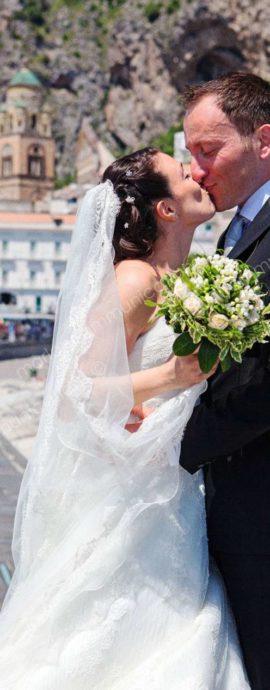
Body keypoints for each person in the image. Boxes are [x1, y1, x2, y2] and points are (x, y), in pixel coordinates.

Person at [0, 148, 249, 689]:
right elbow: (72, 394)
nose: (197, 174)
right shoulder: (135, 280)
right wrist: (172, 378)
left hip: (176, 487)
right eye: (184, 173)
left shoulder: (186, 275)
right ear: (164, 209)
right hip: (132, 492)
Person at [181, 72, 270, 690]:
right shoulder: (233, 230)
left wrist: (171, 448)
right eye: (190, 151)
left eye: (208, 150)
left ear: (264, 141)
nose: (196, 168)